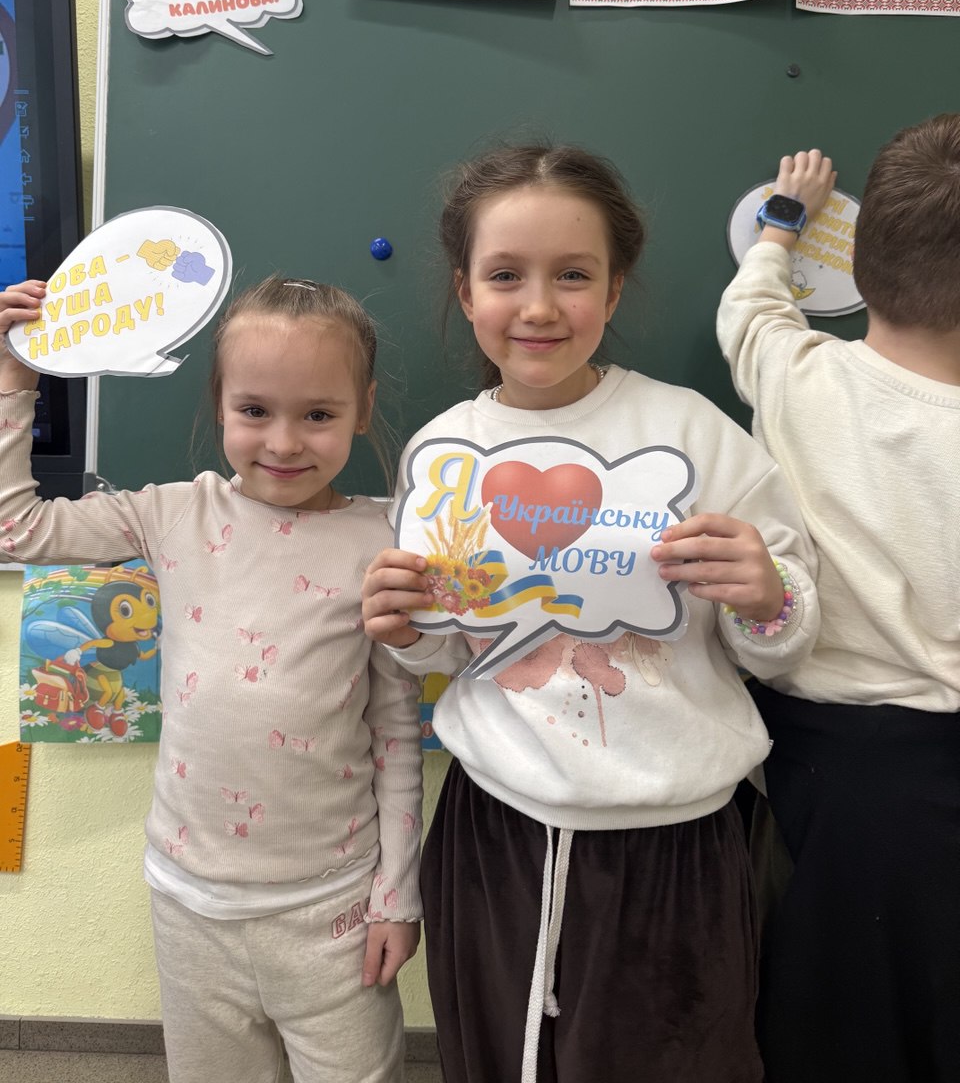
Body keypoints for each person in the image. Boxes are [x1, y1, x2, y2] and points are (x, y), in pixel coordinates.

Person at [361, 144, 820, 1083]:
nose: (538, 306)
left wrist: (769, 596)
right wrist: (408, 633)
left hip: (676, 842)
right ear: (465, 292)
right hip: (495, 833)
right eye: (506, 276)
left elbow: (782, 647)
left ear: (613, 292)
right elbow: (450, 652)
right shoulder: (445, 453)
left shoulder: (694, 435)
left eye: (573, 275)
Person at [0, 275, 423, 1083]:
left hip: (331, 908)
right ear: (219, 404)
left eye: (319, 415)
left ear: (363, 410)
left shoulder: (386, 541)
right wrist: (16, 378)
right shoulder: (170, 514)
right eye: (255, 410)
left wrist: (397, 896)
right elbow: (15, 530)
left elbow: (396, 732)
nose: (284, 443)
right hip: (189, 903)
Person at [717, 123, 960, 1083]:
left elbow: (750, 306)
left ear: (856, 262)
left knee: (832, 1032)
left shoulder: (795, 371)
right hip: (938, 760)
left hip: (824, 779)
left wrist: (785, 223)